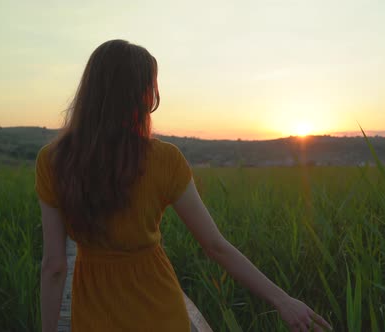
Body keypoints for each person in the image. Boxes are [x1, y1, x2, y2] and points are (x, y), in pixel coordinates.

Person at [36, 39, 332, 332]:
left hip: (94, 315)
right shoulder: (164, 159)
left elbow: (54, 265)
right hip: (160, 312)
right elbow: (215, 246)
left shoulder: (53, 160)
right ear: (141, 96)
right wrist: (282, 300)